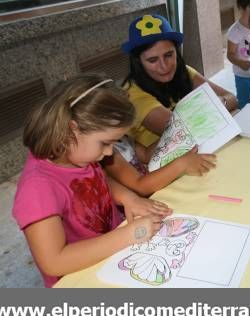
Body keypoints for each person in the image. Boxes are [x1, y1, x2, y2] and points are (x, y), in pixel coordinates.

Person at [12, 74, 172, 287]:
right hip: (82, 278)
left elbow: (97, 178)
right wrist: (130, 234)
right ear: (73, 129)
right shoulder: (37, 188)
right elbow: (53, 261)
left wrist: (128, 197)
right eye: (105, 143)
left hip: (114, 254)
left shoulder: (76, 153)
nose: (109, 153)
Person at [121, 14, 236, 164]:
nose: (164, 66)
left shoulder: (184, 71)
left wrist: (222, 103)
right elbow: (184, 131)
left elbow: (232, 98)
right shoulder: (132, 94)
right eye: (152, 60)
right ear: (138, 62)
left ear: (177, 51)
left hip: (197, 152)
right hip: (164, 169)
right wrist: (216, 108)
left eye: (169, 55)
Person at [226, 0, 250, 108]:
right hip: (243, 77)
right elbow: (230, 54)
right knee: (245, 104)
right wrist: (239, 62)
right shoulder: (235, 31)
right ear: (243, 7)